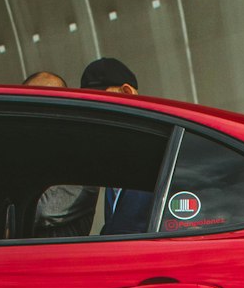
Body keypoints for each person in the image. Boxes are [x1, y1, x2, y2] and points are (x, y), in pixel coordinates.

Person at [79, 58, 153, 235]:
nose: (93, 113)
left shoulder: (161, 152)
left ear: (127, 92)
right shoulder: (120, 157)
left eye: (99, 101)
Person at [21, 70, 97, 237]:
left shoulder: (81, 159)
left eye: (47, 102)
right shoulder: (24, 155)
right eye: (29, 102)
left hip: (56, 259)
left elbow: (43, 210)